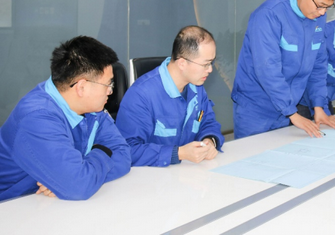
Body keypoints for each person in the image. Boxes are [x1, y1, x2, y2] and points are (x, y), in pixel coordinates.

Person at [0, 36, 131, 201]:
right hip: (14, 206)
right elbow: (79, 186)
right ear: (81, 87)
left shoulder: (92, 108)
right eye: (108, 84)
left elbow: (124, 155)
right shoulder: (37, 118)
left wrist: (75, 175)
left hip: (52, 204)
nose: (110, 92)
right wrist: (102, 151)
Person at [232, 0, 335, 139]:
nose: (323, 13)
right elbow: (268, 69)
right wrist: (292, 113)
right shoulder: (269, 15)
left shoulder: (317, 18)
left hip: (287, 108)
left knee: (280, 154)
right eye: (320, 5)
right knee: (252, 154)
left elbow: (318, 65)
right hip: (256, 107)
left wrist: (318, 106)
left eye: (328, 7)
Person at [116, 26, 224, 167]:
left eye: (211, 62)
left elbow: (207, 122)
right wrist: (179, 153)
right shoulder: (141, 95)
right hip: (152, 176)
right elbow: (128, 149)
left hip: (187, 172)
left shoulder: (196, 87)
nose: (210, 69)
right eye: (205, 64)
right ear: (182, 63)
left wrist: (209, 140)